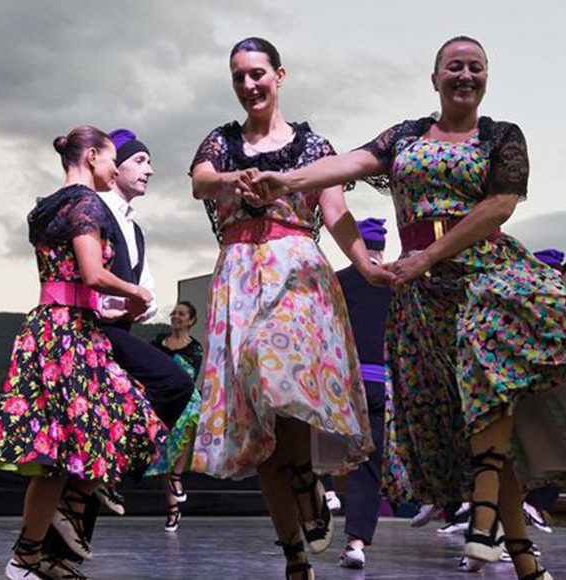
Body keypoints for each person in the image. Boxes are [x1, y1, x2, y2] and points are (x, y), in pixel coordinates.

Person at [250, 36, 566, 579]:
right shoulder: (406, 136)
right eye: (454, 66)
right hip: (422, 297)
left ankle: (484, 515)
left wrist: (429, 254)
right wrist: (285, 180)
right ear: (435, 78)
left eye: (475, 67)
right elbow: (349, 164)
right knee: (477, 419)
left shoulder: (502, 137)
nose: (465, 75)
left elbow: (499, 204)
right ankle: (524, 559)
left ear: (486, 77)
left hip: (487, 275)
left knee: (487, 367)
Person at [189, 37, 391, 580]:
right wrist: (233, 179)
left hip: (296, 271)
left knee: (277, 369)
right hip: (238, 274)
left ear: (279, 76)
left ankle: (305, 477)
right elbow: (201, 182)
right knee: (260, 426)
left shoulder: (312, 145)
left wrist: (366, 265)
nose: (248, 84)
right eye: (239, 76)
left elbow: (336, 211)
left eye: (257, 73)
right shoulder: (222, 142)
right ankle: (294, 556)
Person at [0, 125, 165, 580]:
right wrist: (136, 292)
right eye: (111, 160)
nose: (113, 169)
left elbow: (64, 277)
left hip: (51, 325)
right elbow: (91, 273)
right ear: (92, 158)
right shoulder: (86, 203)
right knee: (131, 419)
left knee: (56, 456)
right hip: (70, 333)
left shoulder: (47, 206)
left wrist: (107, 304)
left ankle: (27, 556)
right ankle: (42, 541)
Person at [329, 217, 392, 569]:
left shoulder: (338, 281)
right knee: (369, 464)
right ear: (381, 248)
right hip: (381, 383)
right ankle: (356, 542)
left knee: (320, 447)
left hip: (343, 383)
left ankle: (322, 497)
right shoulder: (395, 283)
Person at [149, 300, 204, 532]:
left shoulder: (195, 348)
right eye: (174, 313)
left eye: (182, 314)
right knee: (166, 452)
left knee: (189, 419)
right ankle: (172, 508)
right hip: (162, 396)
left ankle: (177, 477)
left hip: (185, 395)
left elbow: (190, 376)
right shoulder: (158, 343)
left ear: (191, 320)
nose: (176, 317)